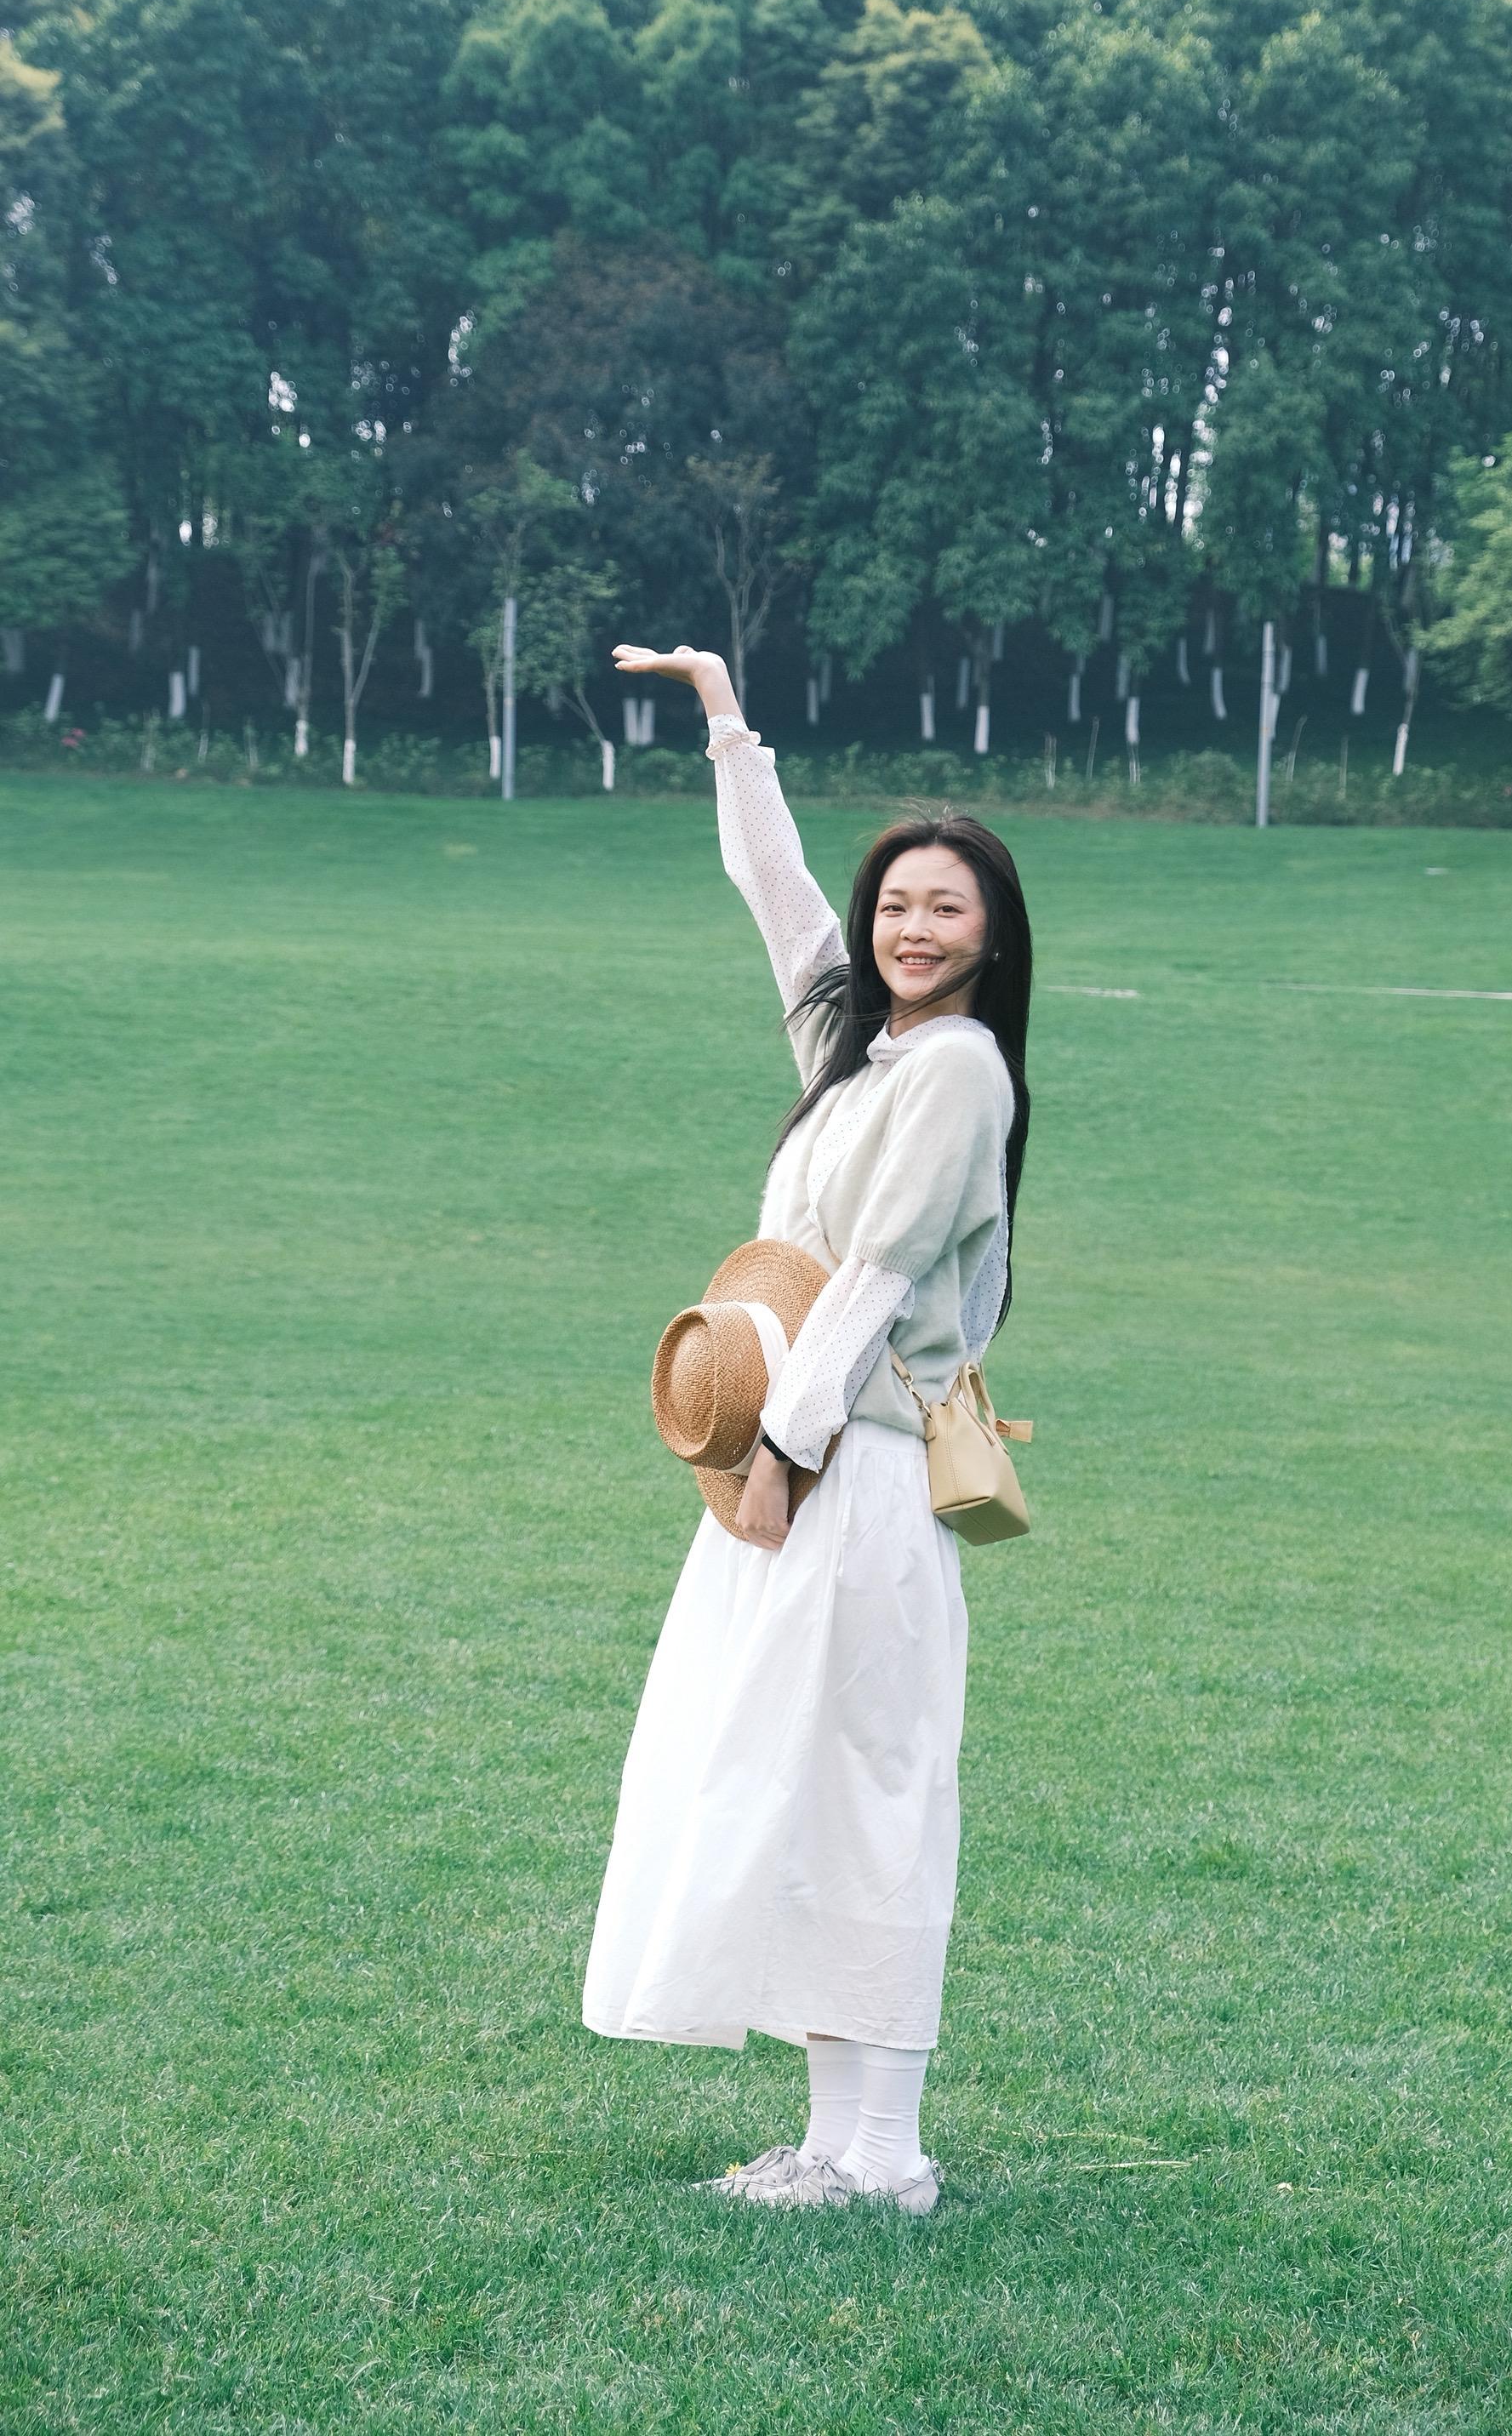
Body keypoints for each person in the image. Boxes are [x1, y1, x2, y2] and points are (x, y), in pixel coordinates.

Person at [581, 644, 1034, 2215]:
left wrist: (775, 1452)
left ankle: (888, 2152)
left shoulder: (957, 1071)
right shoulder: (862, 1058)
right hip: (806, 1472)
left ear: (992, 936)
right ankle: (838, 2145)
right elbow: (778, 900)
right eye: (896, 904)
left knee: (865, 1802)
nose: (913, 928)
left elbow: (879, 1275)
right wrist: (726, 723)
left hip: (857, 1473)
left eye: (946, 909)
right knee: (799, 1794)